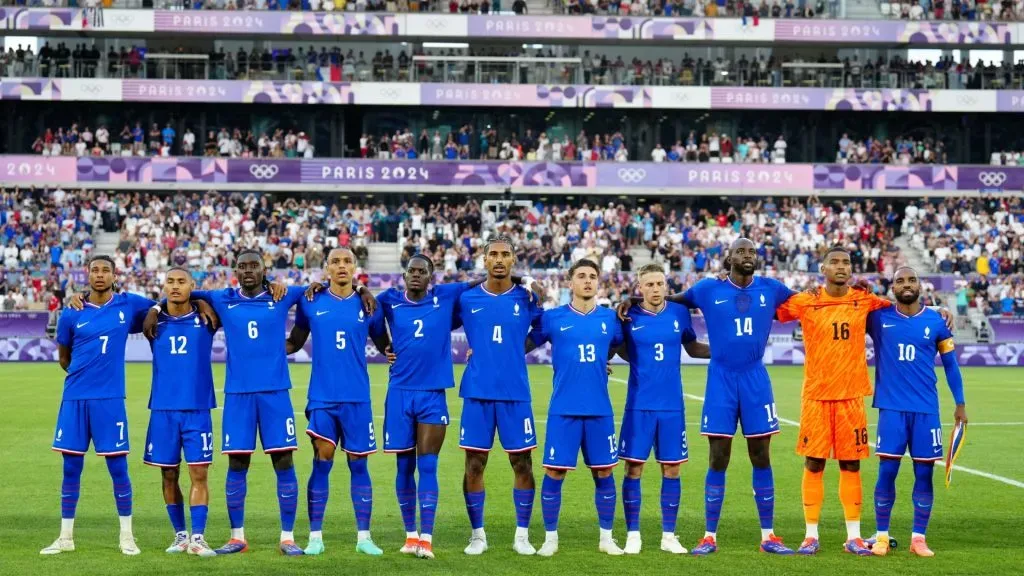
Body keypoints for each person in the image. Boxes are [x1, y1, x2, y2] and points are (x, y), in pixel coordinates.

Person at [140, 248, 373, 556]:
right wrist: (156, 308)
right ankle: (238, 537)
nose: (248, 270)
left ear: (265, 271)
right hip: (238, 396)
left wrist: (361, 287)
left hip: (276, 394)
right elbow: (183, 291)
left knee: (284, 462)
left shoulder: (283, 295)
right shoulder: (222, 298)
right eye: (242, 266)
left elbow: (324, 286)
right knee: (237, 464)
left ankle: (287, 537)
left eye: (254, 266)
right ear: (236, 271)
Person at [617, 238, 796, 555]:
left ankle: (769, 535)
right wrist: (632, 300)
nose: (747, 256)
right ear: (728, 257)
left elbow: (809, 306)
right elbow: (669, 299)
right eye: (740, 251)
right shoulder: (706, 289)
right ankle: (709, 536)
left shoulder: (773, 288)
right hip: (721, 380)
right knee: (718, 456)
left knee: (761, 455)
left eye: (752, 251)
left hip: (756, 377)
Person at [774, 246, 950, 556]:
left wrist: (939, 312)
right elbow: (774, 309)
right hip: (815, 395)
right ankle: (810, 534)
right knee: (814, 462)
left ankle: (854, 537)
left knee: (851, 463)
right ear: (823, 268)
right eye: (835, 262)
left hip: (852, 396)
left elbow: (904, 309)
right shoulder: (807, 300)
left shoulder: (865, 301)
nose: (841, 266)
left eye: (846, 262)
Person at [41, 255, 157, 556]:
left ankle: (127, 536)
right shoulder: (71, 313)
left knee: (118, 468)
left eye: (106, 270)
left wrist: (156, 309)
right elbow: (64, 358)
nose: (100, 275)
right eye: (95, 270)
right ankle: (65, 538)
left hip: (109, 401)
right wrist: (84, 379)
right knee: (71, 468)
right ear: (87, 274)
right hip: (75, 399)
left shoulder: (127, 304)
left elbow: (161, 304)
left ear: (114, 275)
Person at [285, 248, 390, 557]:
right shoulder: (311, 301)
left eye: (347, 262)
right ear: (326, 268)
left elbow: (385, 345)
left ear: (355, 267)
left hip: (357, 398)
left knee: (359, 464)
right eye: (335, 262)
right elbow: (295, 341)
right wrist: (264, 349)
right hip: (322, 398)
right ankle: (315, 536)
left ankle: (364, 537)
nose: (341, 266)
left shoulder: (369, 304)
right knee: (322, 461)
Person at [865, 267, 967, 557]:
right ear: (892, 286)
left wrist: (960, 403)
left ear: (920, 285)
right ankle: (882, 536)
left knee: (924, 474)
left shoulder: (936, 321)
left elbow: (951, 365)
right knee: (887, 471)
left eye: (911, 280)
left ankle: (918, 538)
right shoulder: (878, 318)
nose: (906, 284)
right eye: (900, 280)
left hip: (926, 410)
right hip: (891, 410)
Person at [526, 259, 625, 556]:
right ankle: (550, 539)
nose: (587, 281)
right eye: (581, 276)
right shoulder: (553, 318)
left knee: (604, 473)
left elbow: (621, 346)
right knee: (555, 474)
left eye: (592, 277)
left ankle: (606, 539)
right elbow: (522, 344)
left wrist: (600, 361)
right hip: (563, 409)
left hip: (599, 410)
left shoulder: (610, 319)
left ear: (598, 283)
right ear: (570, 283)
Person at [456, 236, 543, 556]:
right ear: (484, 259)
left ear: (514, 259)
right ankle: (477, 534)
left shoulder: (529, 297)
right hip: (477, 393)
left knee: (522, 463)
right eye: (493, 254)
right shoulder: (466, 298)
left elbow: (545, 330)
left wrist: (514, 351)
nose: (499, 259)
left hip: (515, 394)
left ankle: (522, 535)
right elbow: (435, 322)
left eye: (505, 254)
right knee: (474, 464)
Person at [616, 264, 709, 555]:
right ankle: (633, 534)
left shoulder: (679, 313)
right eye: (650, 284)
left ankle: (669, 535)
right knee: (634, 467)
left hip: (672, 406)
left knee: (672, 468)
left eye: (660, 283)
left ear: (666, 285)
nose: (656, 289)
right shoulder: (627, 316)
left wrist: (727, 349)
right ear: (639, 287)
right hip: (639, 405)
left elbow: (693, 349)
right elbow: (614, 346)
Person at [144, 267, 219, 557]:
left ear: (192, 285)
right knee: (168, 475)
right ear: (163, 285)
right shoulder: (152, 321)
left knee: (199, 473)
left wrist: (199, 300)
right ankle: (180, 535)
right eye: (170, 282)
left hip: (198, 409)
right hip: (162, 409)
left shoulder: (207, 317)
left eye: (181, 282)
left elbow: (220, 298)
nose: (175, 286)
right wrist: (154, 306)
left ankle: (198, 538)